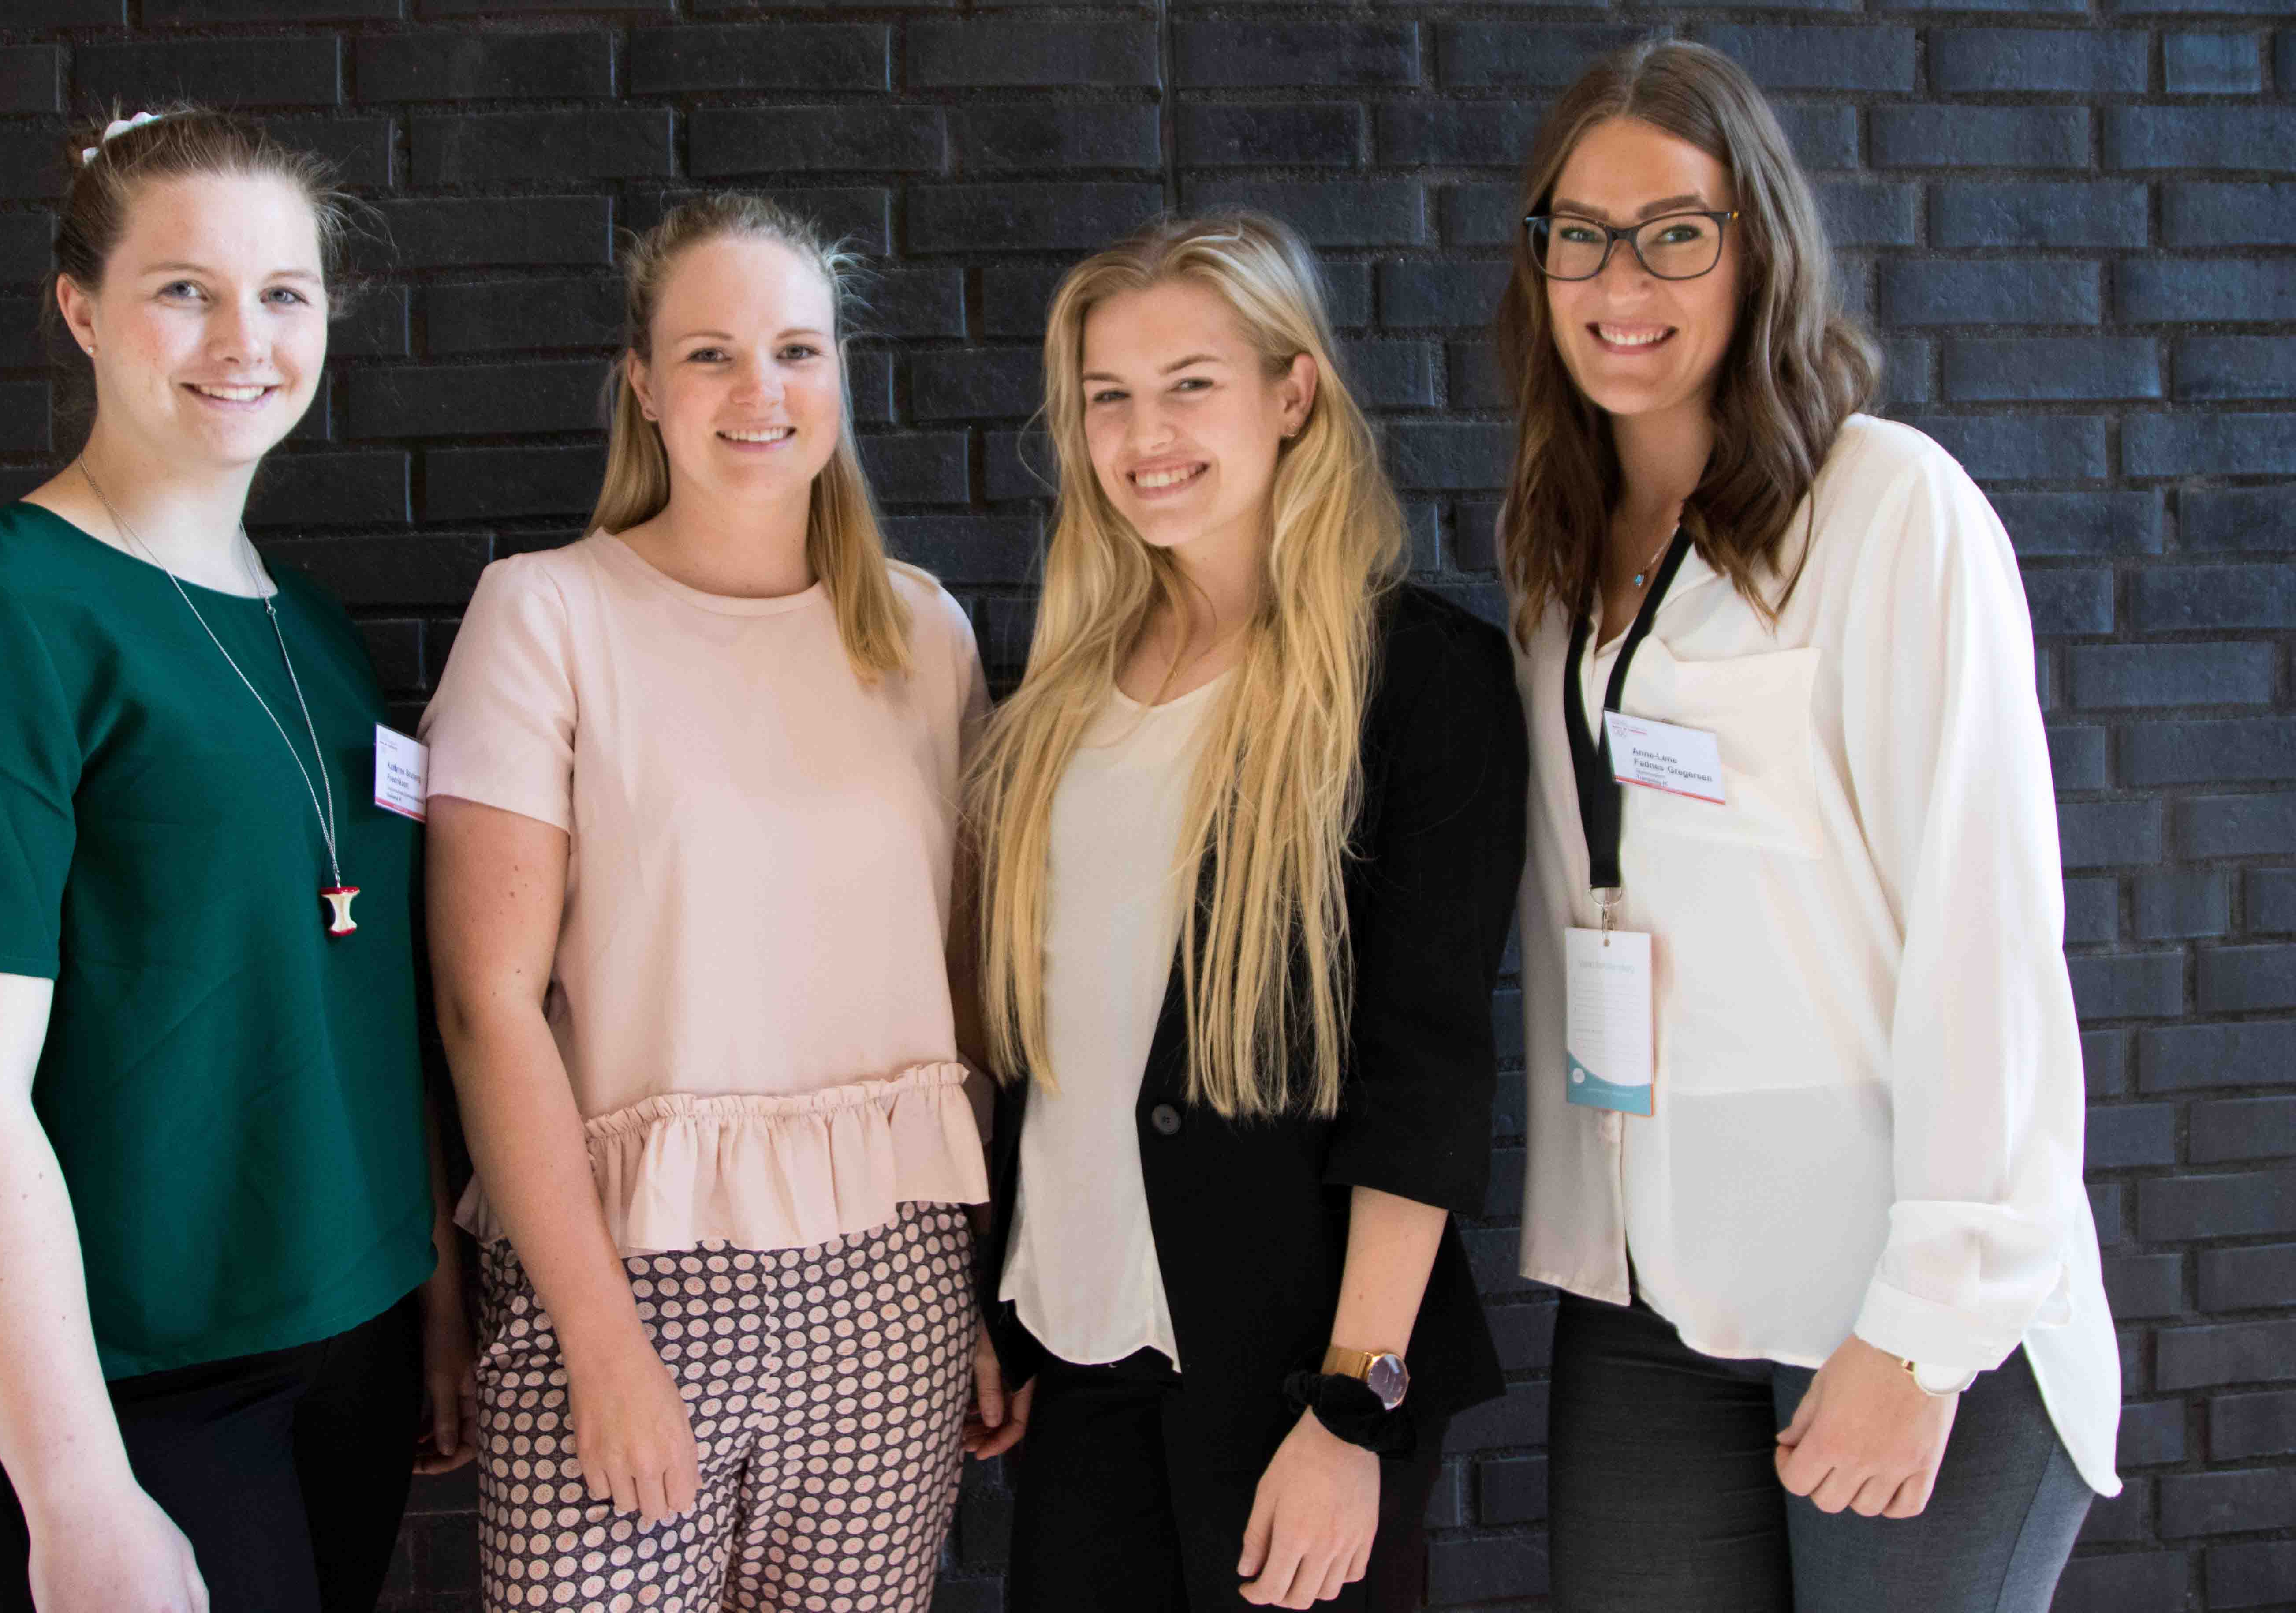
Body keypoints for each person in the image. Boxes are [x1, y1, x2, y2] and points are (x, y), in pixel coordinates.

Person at [1498, 41, 2121, 1612]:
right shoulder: (1557, 562)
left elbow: (1986, 939)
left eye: (1673, 232)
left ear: (1757, 249)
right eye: (1579, 232)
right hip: (1650, 1291)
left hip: (1894, 1294)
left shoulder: (1888, 510)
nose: (1618, 278)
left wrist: (1923, 1324)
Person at [0, 106, 469, 1613]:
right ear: (81, 310)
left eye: (287, 293)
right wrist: (77, 1494)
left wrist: (430, 1295)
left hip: (348, 1347)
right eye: (184, 288)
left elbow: (359, 1000)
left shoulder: (305, 627)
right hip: (124, 1392)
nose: (245, 337)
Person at [421, 191, 992, 1612]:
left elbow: (971, 984)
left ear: (841, 374)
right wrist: (602, 1347)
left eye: (798, 350)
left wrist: (974, 1286)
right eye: (711, 355)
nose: (761, 392)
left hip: (896, 1292)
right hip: (619, 1279)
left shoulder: (922, 632)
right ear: (643, 387)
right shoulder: (547, 613)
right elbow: (485, 1004)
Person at [962, 212, 1524, 1613]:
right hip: (1077, 1361)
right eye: (1109, 397)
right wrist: (992, 1299)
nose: (1146, 432)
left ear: (1293, 393)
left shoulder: (1420, 680)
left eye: (1191, 384)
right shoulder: (1059, 693)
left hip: (1299, 1379)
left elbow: (1428, 1069)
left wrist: (1354, 1410)